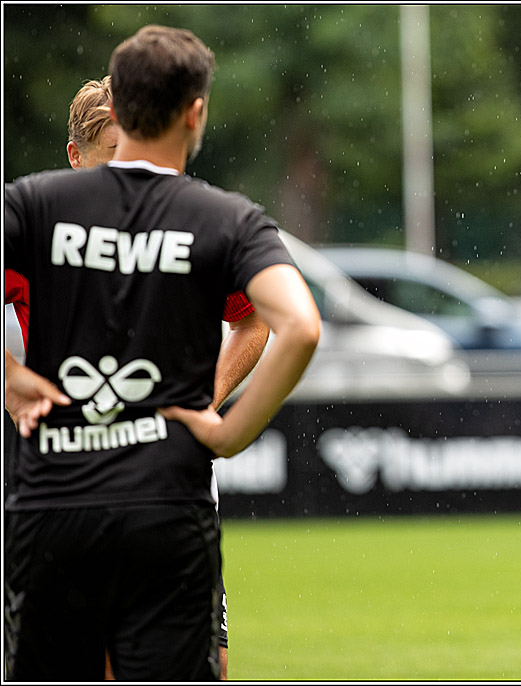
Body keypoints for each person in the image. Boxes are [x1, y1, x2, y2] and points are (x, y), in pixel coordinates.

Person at [3, 24, 320, 680]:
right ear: (194, 112)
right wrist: (228, 430)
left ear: (124, 110)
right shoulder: (226, 218)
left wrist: (9, 377)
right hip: (167, 502)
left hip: (56, 502)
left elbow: (264, 326)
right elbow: (299, 326)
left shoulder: (32, 206)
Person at [61, 74, 260, 679]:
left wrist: (205, 399)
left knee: (203, 664)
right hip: (70, 486)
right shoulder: (38, 233)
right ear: (75, 157)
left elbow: (255, 321)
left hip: (173, 485)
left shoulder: (182, 227)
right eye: (109, 159)